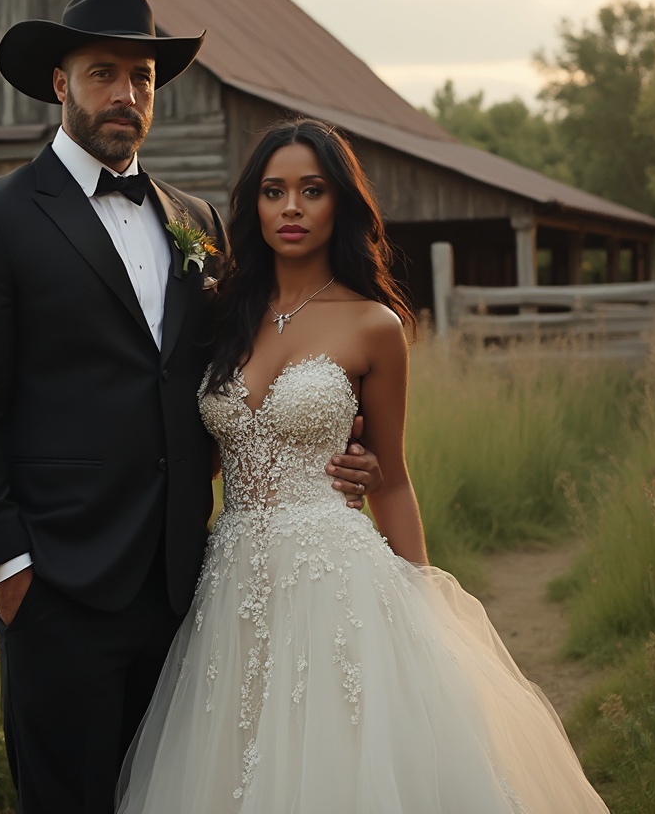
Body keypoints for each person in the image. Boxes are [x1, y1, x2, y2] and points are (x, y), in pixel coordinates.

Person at [0, 0, 383, 814]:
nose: (126, 93)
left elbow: (234, 375)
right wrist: (7, 571)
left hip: (187, 589)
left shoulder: (194, 220)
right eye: (103, 73)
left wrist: (336, 448)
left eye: (142, 77)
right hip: (58, 588)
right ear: (60, 83)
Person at [115, 118, 611, 813]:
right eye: (274, 191)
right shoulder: (220, 315)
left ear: (339, 203)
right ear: (254, 206)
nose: (291, 207)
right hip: (231, 577)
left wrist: (424, 601)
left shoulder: (374, 325)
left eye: (312, 190)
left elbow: (393, 477)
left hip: (334, 575)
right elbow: (201, 446)